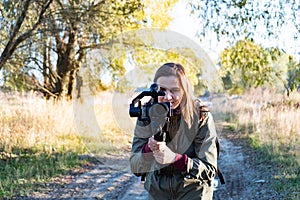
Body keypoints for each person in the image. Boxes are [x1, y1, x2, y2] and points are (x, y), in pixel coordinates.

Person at [130, 62, 218, 199]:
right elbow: (135, 166)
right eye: (162, 90)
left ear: (184, 91)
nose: (168, 96)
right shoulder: (146, 114)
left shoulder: (200, 116)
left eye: (174, 90)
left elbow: (209, 169)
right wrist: (148, 149)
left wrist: (176, 159)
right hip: (158, 190)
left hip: (193, 190)